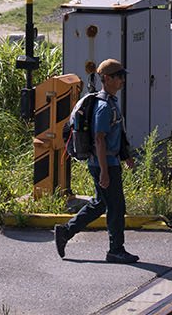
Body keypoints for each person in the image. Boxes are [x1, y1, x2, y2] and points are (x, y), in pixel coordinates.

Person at [54, 58, 138, 263]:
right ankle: (115, 250)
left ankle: (65, 232)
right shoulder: (103, 107)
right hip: (104, 163)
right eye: (118, 77)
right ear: (106, 79)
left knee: (102, 203)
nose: (122, 81)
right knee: (116, 207)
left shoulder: (111, 103)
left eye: (122, 76)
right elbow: (99, 140)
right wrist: (104, 171)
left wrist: (125, 155)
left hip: (108, 162)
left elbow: (115, 134)